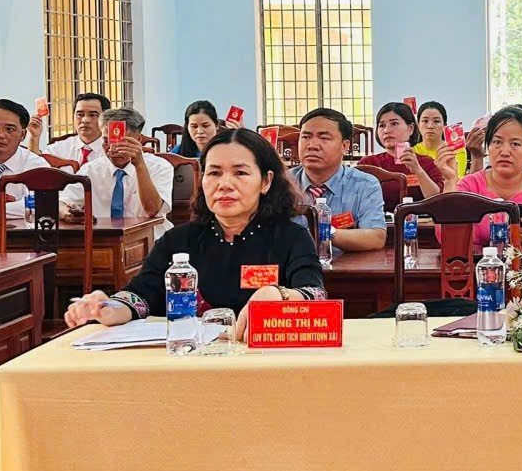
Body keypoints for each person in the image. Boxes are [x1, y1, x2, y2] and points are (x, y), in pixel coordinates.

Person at [64, 128, 326, 342]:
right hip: (191, 362)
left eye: (240, 173)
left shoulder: (291, 237)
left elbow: (315, 294)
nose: (225, 184)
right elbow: (140, 296)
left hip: (263, 362)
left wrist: (280, 295)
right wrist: (108, 308)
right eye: (214, 173)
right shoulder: (178, 241)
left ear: (266, 181)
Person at [435, 105, 522, 249]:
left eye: (515, 144)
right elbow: (446, 237)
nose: (505, 152)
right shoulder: (470, 185)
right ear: (488, 146)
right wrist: (450, 181)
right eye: (497, 142)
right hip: (478, 262)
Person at [58, 108, 175, 238]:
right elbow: (61, 202)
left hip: (151, 239)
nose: (113, 149)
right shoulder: (90, 170)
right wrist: (66, 212)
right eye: (106, 141)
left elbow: (152, 210)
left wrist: (139, 165)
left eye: (122, 142)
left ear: (139, 140)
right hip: (104, 241)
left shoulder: (160, 167)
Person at [290, 108, 386, 251]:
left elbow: (376, 238)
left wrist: (325, 232)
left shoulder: (365, 184)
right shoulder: (282, 183)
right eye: (306, 137)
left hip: (346, 264)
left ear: (344, 146)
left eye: (324, 138)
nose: (312, 146)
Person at [359, 102, 444, 196]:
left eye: (394, 123)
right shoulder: (368, 163)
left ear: (410, 129)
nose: (386, 130)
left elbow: (437, 199)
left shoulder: (427, 163)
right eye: (382, 125)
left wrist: (418, 170)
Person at [32, 92, 109, 166]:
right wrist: (34, 137)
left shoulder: (112, 150)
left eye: (93, 115)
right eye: (80, 115)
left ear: (106, 119)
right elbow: (37, 165)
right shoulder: (59, 148)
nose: (85, 120)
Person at [415, 101, 467, 178]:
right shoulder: (412, 152)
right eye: (425, 121)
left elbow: (458, 181)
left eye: (436, 121)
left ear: (444, 125)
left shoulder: (456, 150)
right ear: (418, 124)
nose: (430, 126)